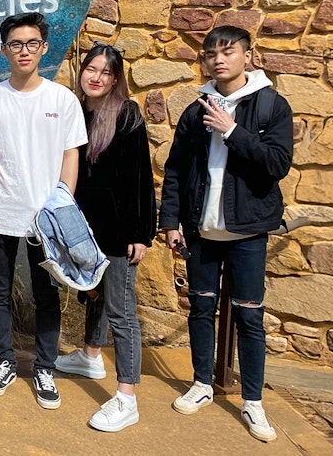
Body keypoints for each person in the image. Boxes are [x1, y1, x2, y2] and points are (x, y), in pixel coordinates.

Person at [160, 26, 293, 443]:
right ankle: (201, 383)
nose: (218, 59)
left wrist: (232, 131)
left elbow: (277, 164)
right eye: (211, 53)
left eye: (228, 52)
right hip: (201, 230)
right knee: (200, 309)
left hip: (248, 231)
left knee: (250, 316)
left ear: (248, 56)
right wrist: (170, 222)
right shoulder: (195, 109)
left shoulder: (271, 105)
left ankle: (252, 401)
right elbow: (177, 170)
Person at [0, 12, 87, 409]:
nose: (24, 51)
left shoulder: (61, 99)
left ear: (43, 48)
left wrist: (62, 202)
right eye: (15, 44)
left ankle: (45, 369)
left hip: (46, 218)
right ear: (3, 49)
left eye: (32, 43)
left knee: (46, 295)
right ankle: (4, 362)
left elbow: (72, 153)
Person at [54, 42, 156, 432]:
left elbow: (140, 179)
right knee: (93, 293)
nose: (95, 77)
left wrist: (140, 233)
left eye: (105, 72)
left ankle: (127, 397)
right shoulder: (77, 112)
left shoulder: (126, 116)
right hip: (86, 229)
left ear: (116, 79)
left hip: (118, 233)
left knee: (122, 311)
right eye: (90, 69)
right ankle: (91, 356)